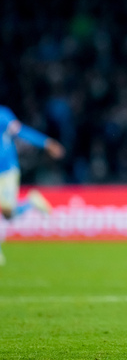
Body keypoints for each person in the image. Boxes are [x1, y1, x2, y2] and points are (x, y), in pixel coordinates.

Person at [0, 104, 65, 264]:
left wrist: (46, 143)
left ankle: (31, 202)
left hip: (7, 170)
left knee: (8, 211)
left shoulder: (3, 115)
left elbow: (22, 132)